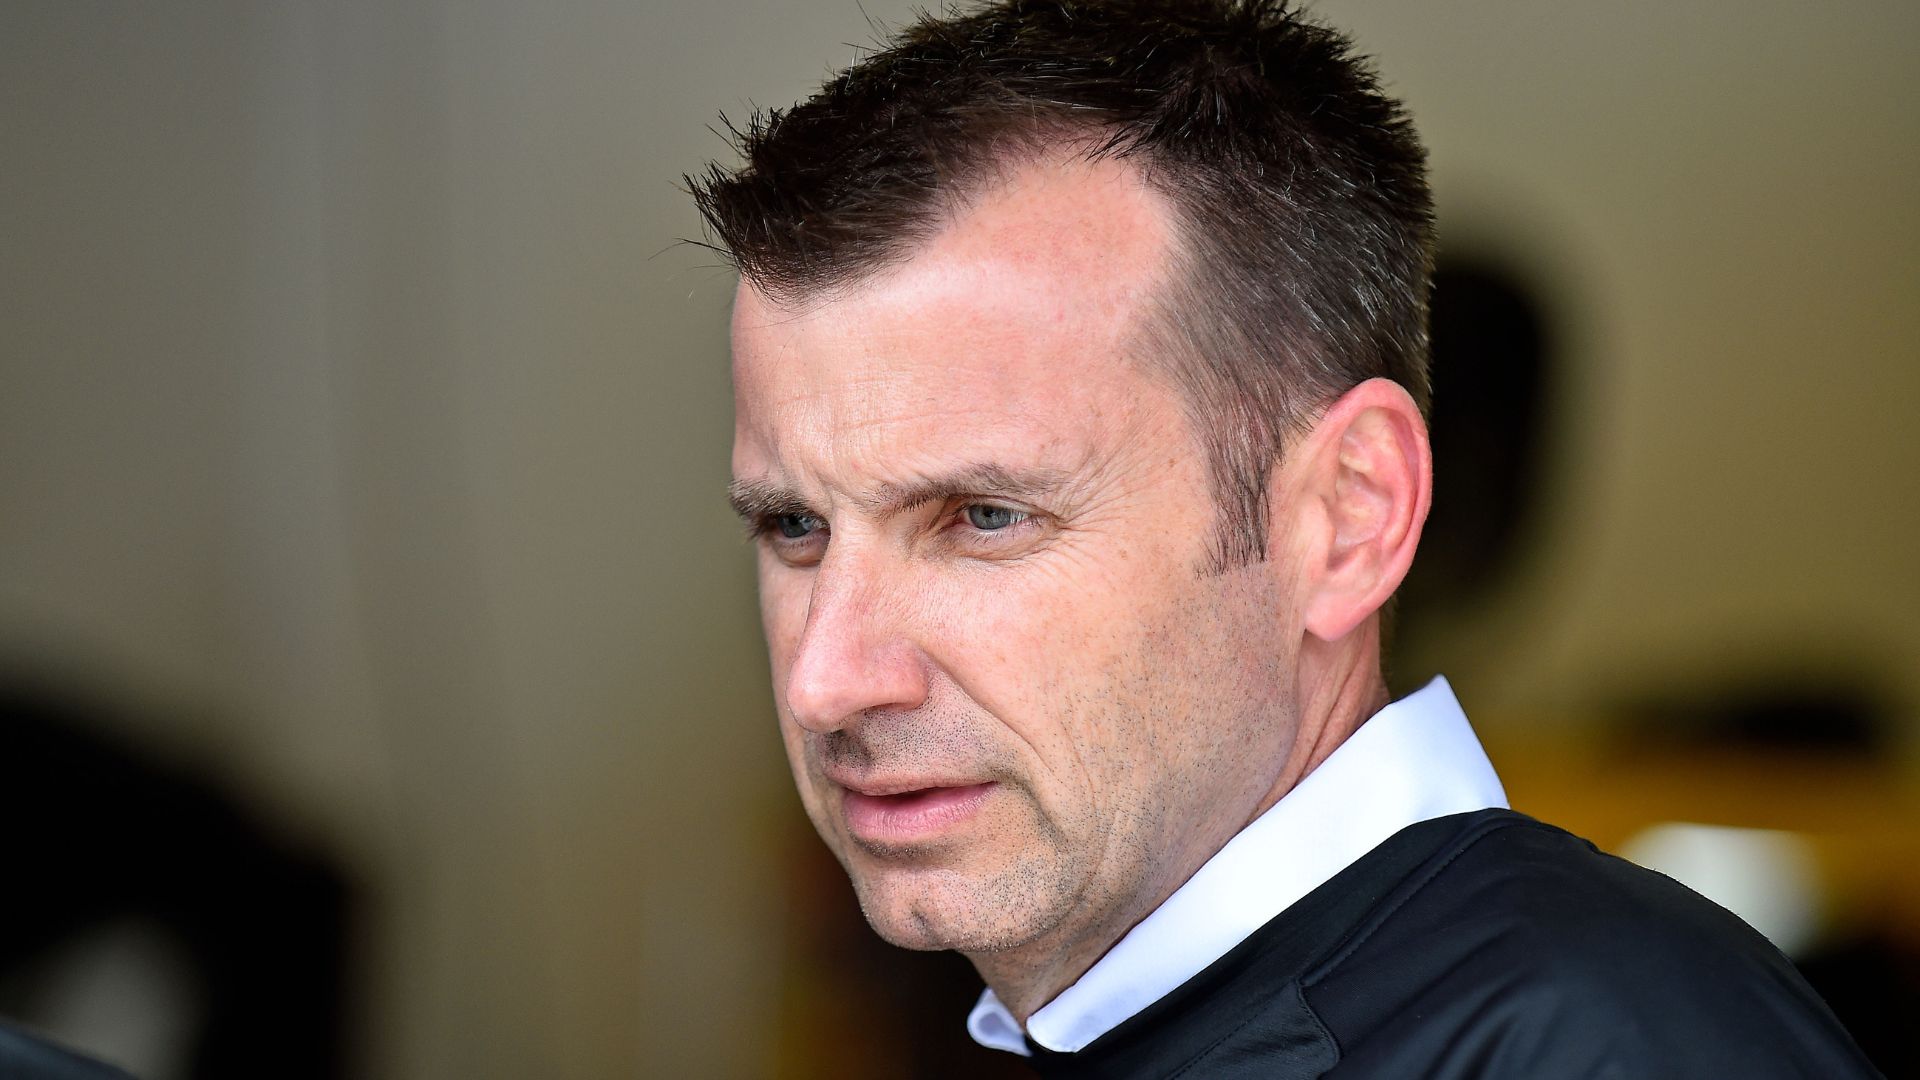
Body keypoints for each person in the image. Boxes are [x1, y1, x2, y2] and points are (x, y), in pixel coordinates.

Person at [695, 0, 1880, 1074]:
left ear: (1348, 517)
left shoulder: (1604, 1051)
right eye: (795, 526)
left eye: (984, 517)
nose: (824, 680)